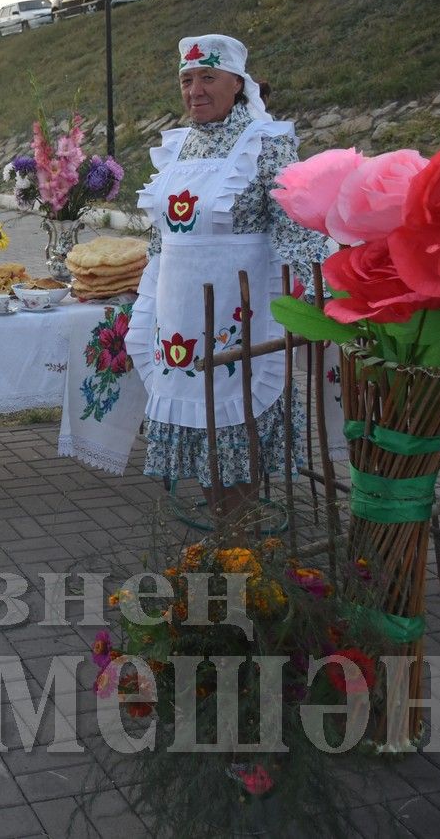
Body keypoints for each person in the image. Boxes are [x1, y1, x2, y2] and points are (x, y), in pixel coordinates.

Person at [124, 34, 326, 523]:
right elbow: (161, 237)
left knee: (235, 412)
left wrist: (329, 290)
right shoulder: (177, 146)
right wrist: (143, 295)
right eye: (186, 79)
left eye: (207, 77)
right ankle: (224, 524)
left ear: (237, 83)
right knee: (199, 417)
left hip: (240, 311)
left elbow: (295, 225)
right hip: (179, 311)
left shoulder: (267, 141)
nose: (195, 90)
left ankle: (236, 532)